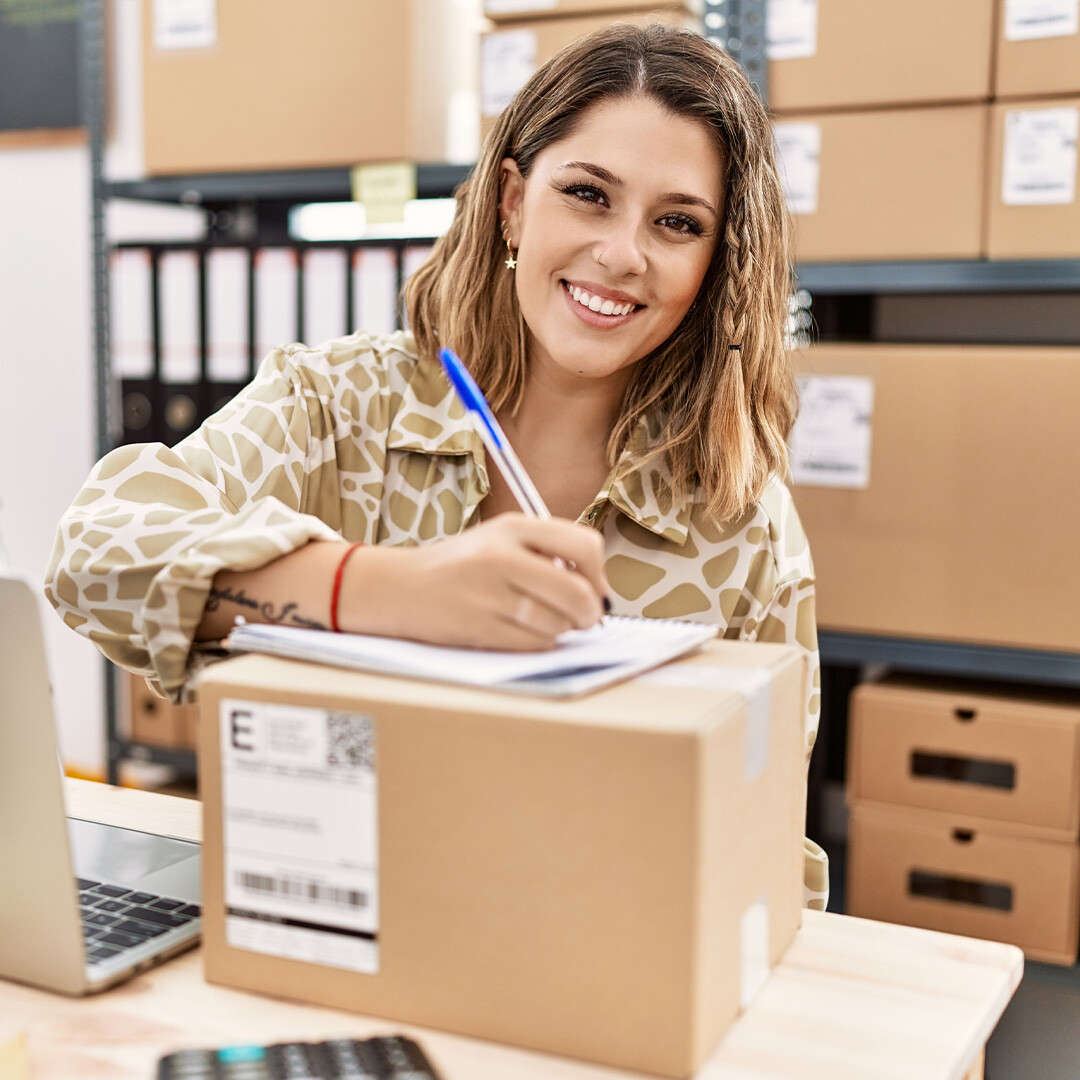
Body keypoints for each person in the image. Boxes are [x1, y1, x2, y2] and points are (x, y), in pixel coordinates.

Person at [45, 23, 827, 907]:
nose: (621, 254)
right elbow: (93, 552)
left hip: (584, 959)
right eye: (587, 194)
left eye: (678, 223)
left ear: (715, 265)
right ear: (511, 204)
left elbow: (770, 860)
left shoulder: (743, 523)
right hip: (318, 918)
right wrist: (383, 593)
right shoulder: (342, 405)